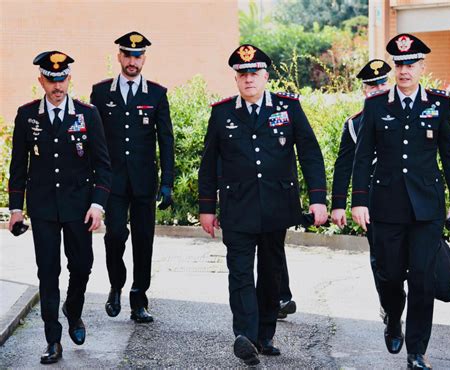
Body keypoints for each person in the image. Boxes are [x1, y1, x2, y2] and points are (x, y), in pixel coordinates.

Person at [198, 44, 328, 365]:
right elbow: (209, 162)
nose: (248, 79)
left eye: (254, 73)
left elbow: (310, 154)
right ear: (236, 79)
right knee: (239, 272)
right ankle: (245, 335)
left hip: (276, 207)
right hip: (237, 208)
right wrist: (206, 208)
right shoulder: (222, 112)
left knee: (270, 272)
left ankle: (264, 335)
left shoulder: (288, 108)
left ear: (266, 76)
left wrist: (318, 199)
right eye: (242, 74)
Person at [351, 34, 450, 369]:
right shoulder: (376, 106)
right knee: (388, 274)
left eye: (410, 64)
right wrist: (359, 201)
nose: (404, 70)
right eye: (399, 64)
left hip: (426, 208)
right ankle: (391, 315)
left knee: (422, 278)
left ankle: (416, 352)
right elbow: (362, 158)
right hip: (386, 206)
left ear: (421, 66)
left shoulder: (438, 103)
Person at [8, 51, 111, 364]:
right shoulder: (27, 116)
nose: (57, 85)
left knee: (82, 266)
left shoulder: (87, 115)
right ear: (41, 80)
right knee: (47, 273)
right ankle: (53, 339)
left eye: (62, 78)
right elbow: (18, 168)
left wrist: (97, 204)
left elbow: (103, 166)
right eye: (51, 79)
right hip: (43, 210)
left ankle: (74, 311)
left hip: (79, 208)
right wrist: (16, 208)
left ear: (70, 78)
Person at [90, 31, 175, 323]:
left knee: (143, 240)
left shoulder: (156, 94)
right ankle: (116, 284)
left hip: (144, 181)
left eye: (137, 57)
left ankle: (139, 299)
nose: (132, 61)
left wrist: (167, 182)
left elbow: (166, 140)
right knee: (115, 235)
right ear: (119, 57)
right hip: (111, 182)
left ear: (144, 60)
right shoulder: (101, 93)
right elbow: (94, 141)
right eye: (127, 55)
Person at [331, 59, 392, 322]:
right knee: (381, 257)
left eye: (381, 83)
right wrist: (338, 204)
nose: (377, 89)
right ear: (363, 90)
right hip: (372, 202)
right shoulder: (355, 124)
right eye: (371, 85)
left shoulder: (407, 114)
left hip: (406, 198)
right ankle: (389, 304)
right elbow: (344, 166)